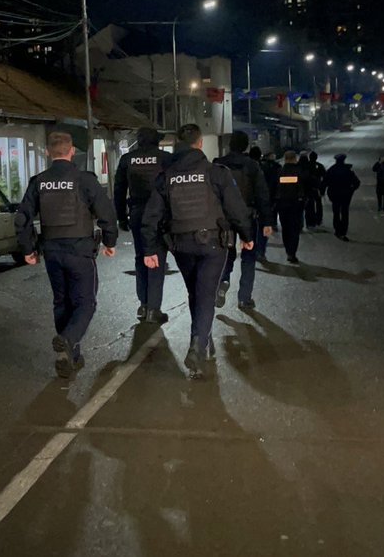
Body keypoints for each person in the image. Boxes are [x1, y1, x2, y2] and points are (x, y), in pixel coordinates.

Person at [143, 124, 254, 379]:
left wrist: (150, 247)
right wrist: (247, 237)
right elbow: (236, 209)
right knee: (205, 294)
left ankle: (204, 339)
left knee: (196, 292)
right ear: (200, 143)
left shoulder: (166, 176)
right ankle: (197, 345)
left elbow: (151, 216)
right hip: (213, 245)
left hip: (181, 245)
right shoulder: (216, 173)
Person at [15, 131, 118, 379]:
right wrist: (109, 241)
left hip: (52, 251)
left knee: (62, 302)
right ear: (72, 151)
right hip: (80, 251)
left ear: (49, 153)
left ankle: (69, 356)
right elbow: (106, 212)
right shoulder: (84, 179)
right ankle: (69, 340)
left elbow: (22, 218)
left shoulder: (38, 181)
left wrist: (28, 249)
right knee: (86, 303)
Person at [113, 127, 171, 324]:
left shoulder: (127, 160)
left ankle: (144, 303)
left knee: (141, 257)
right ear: (156, 142)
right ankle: (154, 308)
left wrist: (121, 217)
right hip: (160, 214)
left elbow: (119, 190)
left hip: (137, 213)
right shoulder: (165, 158)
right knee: (157, 258)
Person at [214, 131, 273, 309]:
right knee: (249, 256)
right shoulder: (252, 166)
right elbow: (262, 194)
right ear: (246, 146)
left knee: (227, 254)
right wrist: (267, 221)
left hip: (224, 217)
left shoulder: (218, 164)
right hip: (248, 216)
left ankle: (223, 281)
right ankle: (244, 297)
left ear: (229, 145)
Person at [275, 151, 312, 263]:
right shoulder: (299, 171)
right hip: (296, 205)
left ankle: (288, 250)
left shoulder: (280, 172)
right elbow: (307, 185)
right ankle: (292, 252)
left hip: (282, 204)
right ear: (294, 159)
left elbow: (274, 188)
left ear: (285, 159)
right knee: (295, 229)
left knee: (285, 228)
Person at [323, 154, 360, 241]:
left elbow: (325, 182)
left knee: (336, 212)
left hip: (334, 195)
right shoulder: (348, 170)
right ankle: (343, 232)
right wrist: (351, 190)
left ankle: (337, 229)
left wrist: (322, 191)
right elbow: (357, 182)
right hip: (345, 195)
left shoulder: (331, 170)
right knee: (344, 213)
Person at [255, 147, 281, 260]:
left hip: (253, 203)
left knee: (253, 229)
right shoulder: (275, 168)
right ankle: (260, 251)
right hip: (267, 200)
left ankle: (254, 251)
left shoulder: (253, 168)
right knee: (263, 226)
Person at [304, 151, 327, 229]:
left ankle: (310, 221)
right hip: (317, 188)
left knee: (309, 206)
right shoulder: (319, 166)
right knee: (318, 204)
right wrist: (322, 189)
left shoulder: (306, 165)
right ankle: (318, 219)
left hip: (308, 188)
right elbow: (325, 178)